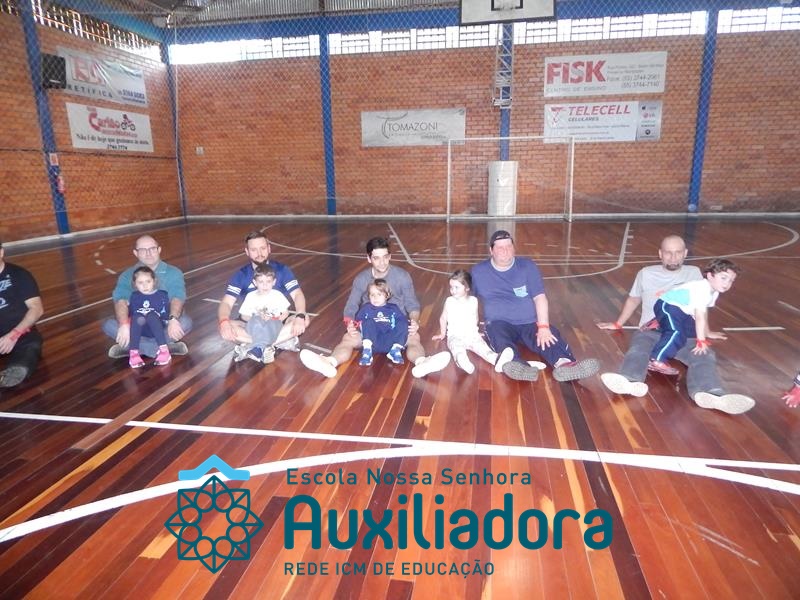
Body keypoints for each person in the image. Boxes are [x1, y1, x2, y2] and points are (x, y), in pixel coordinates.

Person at [597, 235, 755, 415]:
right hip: (652, 329)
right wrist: (618, 323)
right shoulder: (646, 273)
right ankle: (629, 381)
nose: (673, 258)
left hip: (685, 332)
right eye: (668, 253)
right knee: (638, 349)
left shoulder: (695, 273)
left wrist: (706, 332)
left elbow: (700, 310)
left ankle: (711, 393)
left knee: (704, 355)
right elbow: (634, 299)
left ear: (685, 253)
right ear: (660, 254)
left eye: (678, 253)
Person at [299, 236, 450, 378]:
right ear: (369, 258)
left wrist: (414, 322)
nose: (382, 262)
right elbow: (351, 305)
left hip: (395, 328)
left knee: (414, 338)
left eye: (385, 257)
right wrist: (350, 324)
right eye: (376, 258)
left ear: (390, 256)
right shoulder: (361, 279)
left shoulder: (402, 276)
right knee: (347, 339)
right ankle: (329, 363)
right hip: (369, 329)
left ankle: (422, 363)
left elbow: (412, 304)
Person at [471, 230, 599, 382]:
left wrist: (543, 327)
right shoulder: (478, 272)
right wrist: (470, 328)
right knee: (501, 342)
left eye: (509, 246)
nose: (505, 250)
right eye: (500, 247)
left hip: (529, 322)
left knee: (549, 337)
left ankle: (565, 365)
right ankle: (518, 366)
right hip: (498, 323)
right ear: (491, 250)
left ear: (514, 248)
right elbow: (468, 300)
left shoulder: (527, 266)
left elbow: (540, 297)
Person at [218, 231, 309, 360]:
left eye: (262, 248)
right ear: (247, 252)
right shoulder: (241, 275)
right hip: (251, 323)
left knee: (304, 319)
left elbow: (297, 294)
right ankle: (278, 342)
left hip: (278, 321)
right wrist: (224, 322)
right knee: (226, 328)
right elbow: (227, 302)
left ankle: (255, 346)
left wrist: (300, 316)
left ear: (269, 248)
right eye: (254, 250)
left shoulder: (282, 270)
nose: (259, 253)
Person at [103, 235, 192, 359]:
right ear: (135, 253)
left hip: (165, 325)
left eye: (152, 248)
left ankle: (133, 348)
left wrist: (173, 319)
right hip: (137, 327)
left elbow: (177, 297)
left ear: (159, 250)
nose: (148, 253)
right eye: (143, 250)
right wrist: (124, 324)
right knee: (108, 325)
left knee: (185, 322)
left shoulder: (173, 272)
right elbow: (120, 301)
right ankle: (162, 348)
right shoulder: (127, 275)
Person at [648, 258, 740, 375]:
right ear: (710, 276)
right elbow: (700, 317)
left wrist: (707, 332)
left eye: (731, 280)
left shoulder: (714, 292)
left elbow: (703, 312)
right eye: (723, 278)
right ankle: (657, 359)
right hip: (668, 306)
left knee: (692, 333)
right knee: (676, 333)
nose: (727, 283)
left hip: (681, 311)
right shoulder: (702, 290)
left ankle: (659, 326)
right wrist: (701, 341)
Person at [432, 269, 501, 374]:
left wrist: (476, 331)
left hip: (472, 335)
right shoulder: (449, 301)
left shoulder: (474, 301)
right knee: (457, 349)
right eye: (451, 287)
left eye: (456, 287)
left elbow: (475, 318)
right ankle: (463, 361)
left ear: (467, 288)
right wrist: (442, 333)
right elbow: (443, 318)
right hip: (455, 335)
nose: (453, 290)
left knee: (483, 349)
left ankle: (497, 359)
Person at [232, 263, 297, 364]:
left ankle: (256, 348)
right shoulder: (250, 296)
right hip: (255, 327)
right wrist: (257, 318)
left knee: (295, 320)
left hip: (273, 324)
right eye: (261, 281)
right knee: (245, 324)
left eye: (268, 281)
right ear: (255, 282)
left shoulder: (277, 295)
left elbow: (285, 313)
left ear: (274, 282)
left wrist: (275, 318)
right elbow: (244, 316)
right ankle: (271, 345)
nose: (265, 285)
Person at [0, 239, 44, 388]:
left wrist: (13, 335)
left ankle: (15, 372)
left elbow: (36, 308)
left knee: (32, 343)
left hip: (19, 332)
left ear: (1, 253)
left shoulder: (19, 275)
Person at [355, 278, 408, 366]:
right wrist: (353, 326)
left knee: (403, 322)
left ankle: (395, 350)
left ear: (387, 295)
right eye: (372, 295)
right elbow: (357, 322)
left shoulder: (393, 308)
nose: (375, 297)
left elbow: (403, 324)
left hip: (391, 343)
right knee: (368, 322)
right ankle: (367, 352)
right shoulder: (366, 308)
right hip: (373, 343)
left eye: (379, 294)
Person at [127, 266, 171, 368]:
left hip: (157, 328)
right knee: (137, 317)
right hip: (142, 330)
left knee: (151, 316)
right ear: (135, 284)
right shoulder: (134, 296)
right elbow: (131, 315)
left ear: (154, 281)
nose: (145, 285)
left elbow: (166, 315)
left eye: (148, 281)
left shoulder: (162, 295)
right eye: (140, 282)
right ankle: (134, 352)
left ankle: (163, 350)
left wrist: (169, 322)